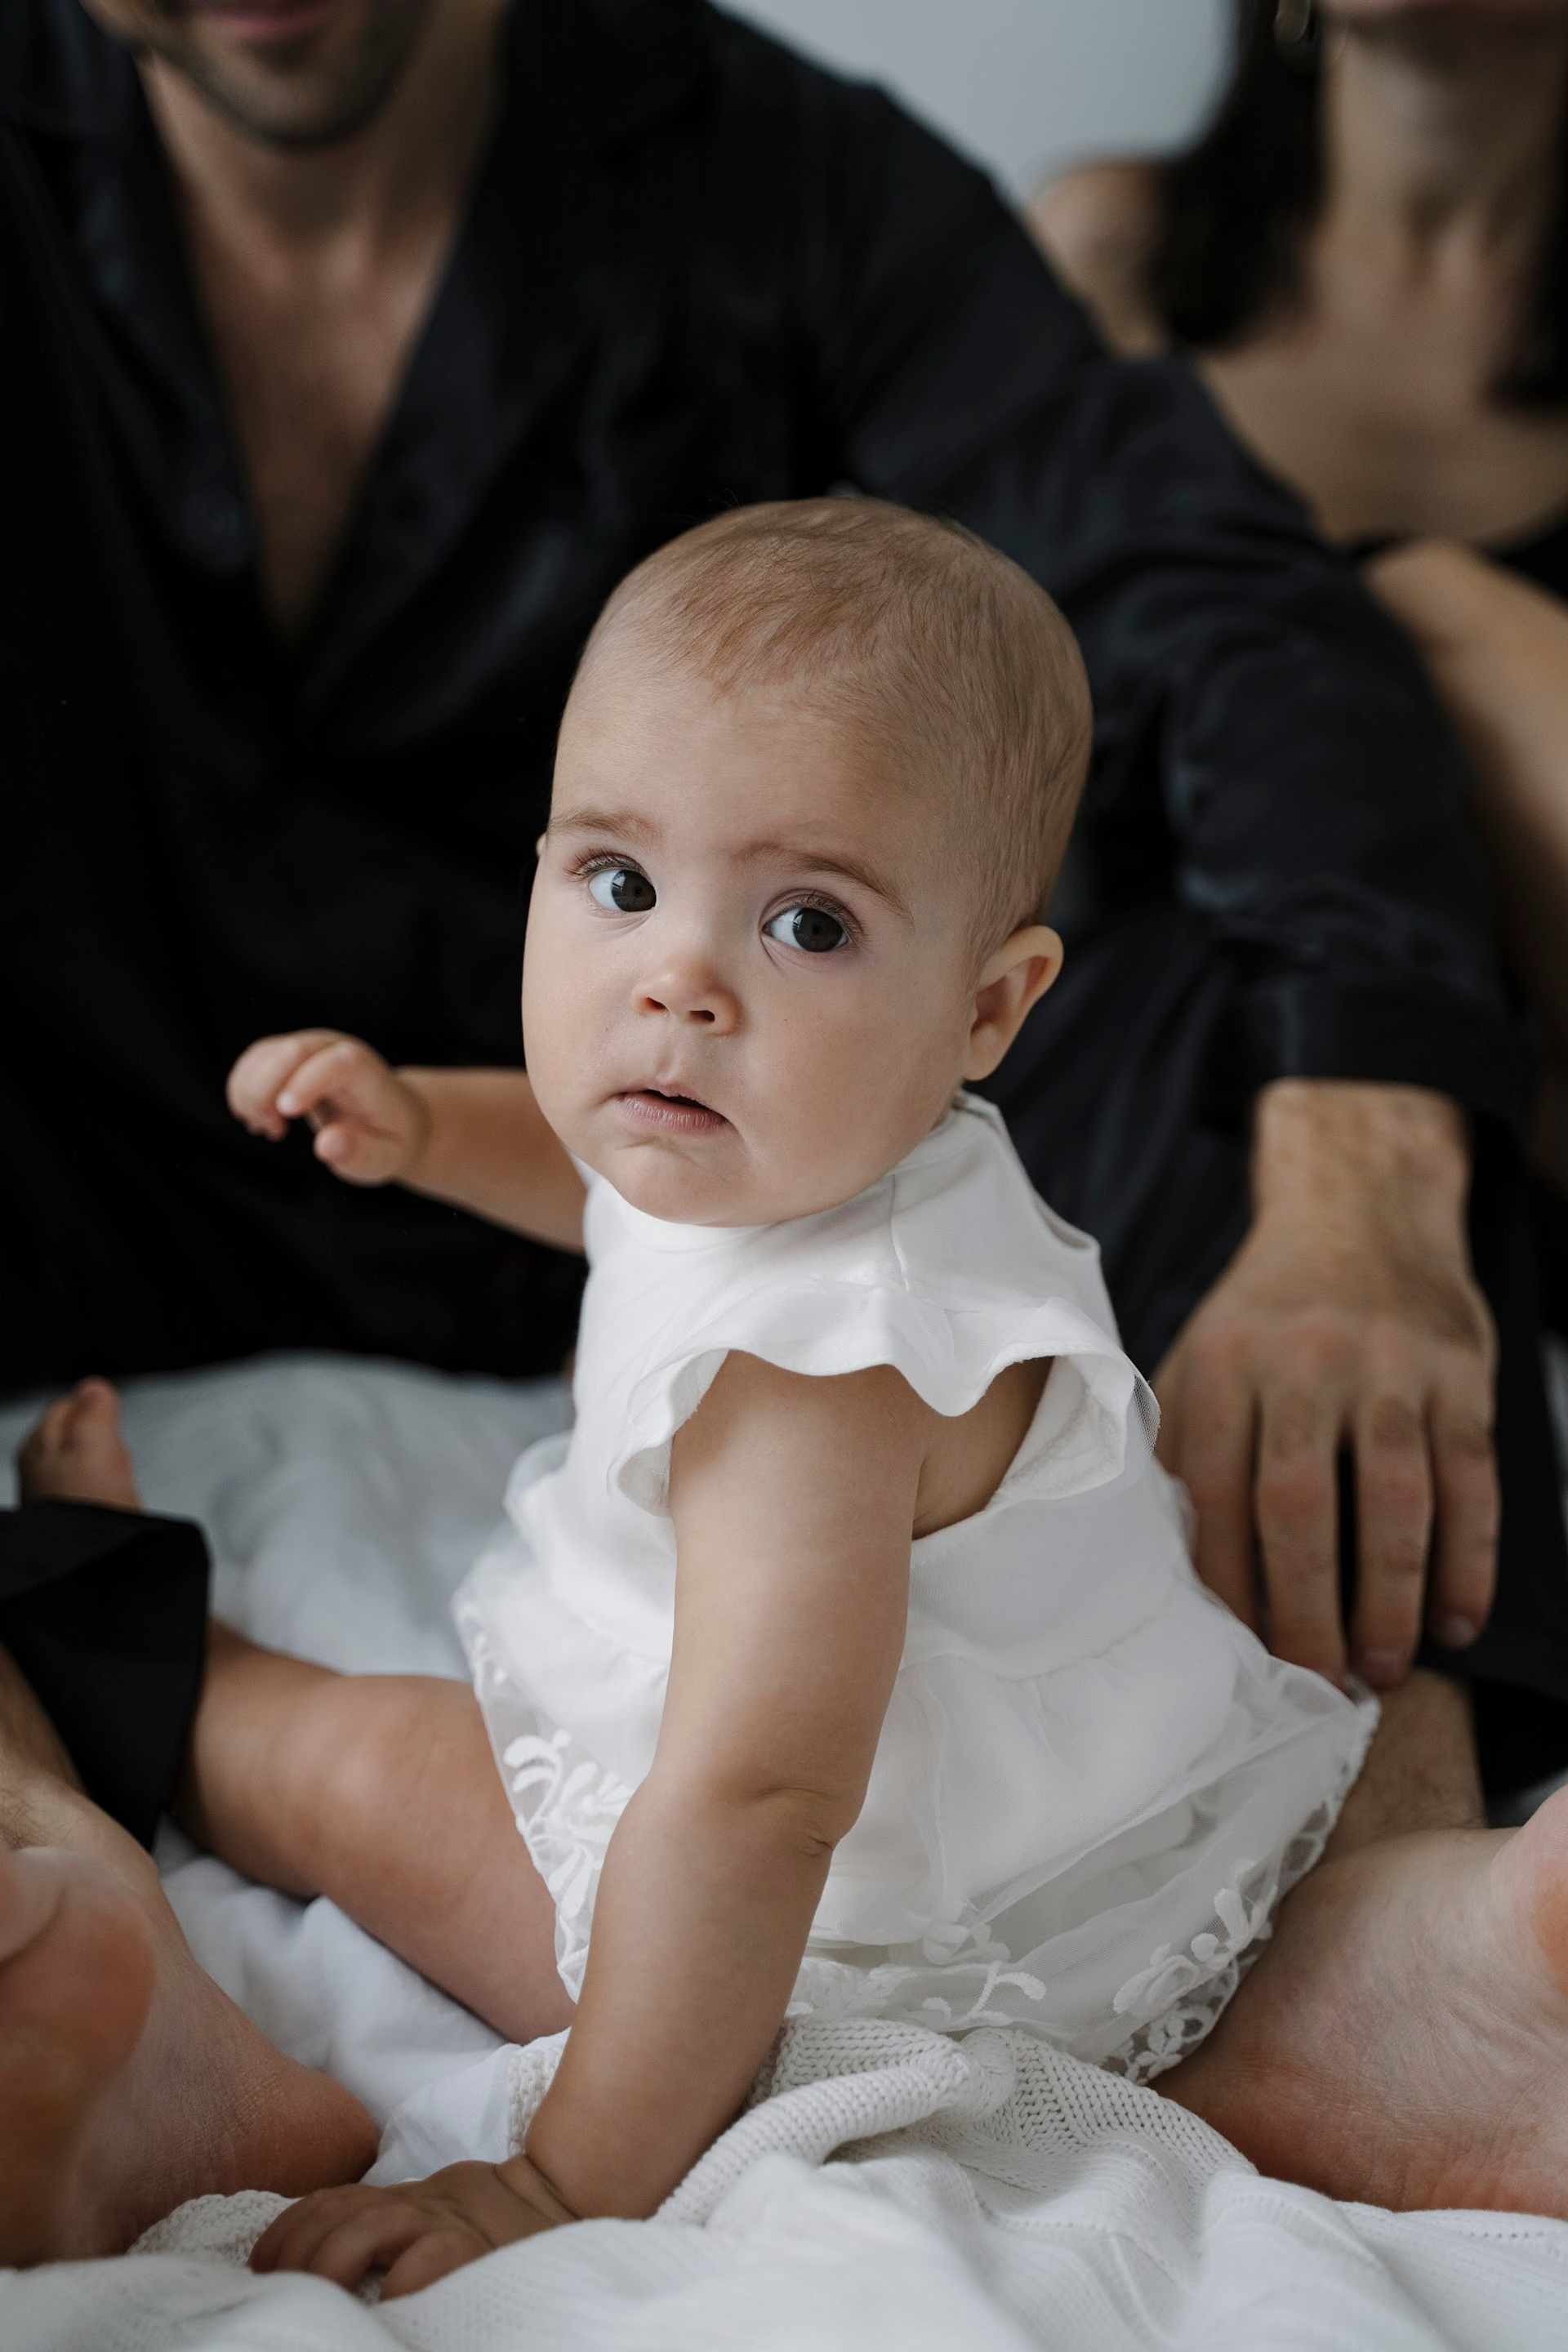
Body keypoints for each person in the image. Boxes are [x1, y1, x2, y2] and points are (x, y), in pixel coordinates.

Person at [0, 0, 1553, 2234]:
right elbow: (634, 1176)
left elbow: (744, 1796)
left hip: (802, 1788)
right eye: (615, 881)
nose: (684, 964)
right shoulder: (723, 1106)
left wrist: (566, 2175)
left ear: (998, 1006)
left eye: (802, 918)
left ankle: (166, 1661)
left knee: (345, 1762)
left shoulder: (781, 176)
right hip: (135, 1139)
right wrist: (433, 1126)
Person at [1031, 0, 1568, 1798]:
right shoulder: (1108, 248)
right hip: (1173, 1019)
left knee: (1421, 626)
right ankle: (1401, 1850)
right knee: (1263, 960)